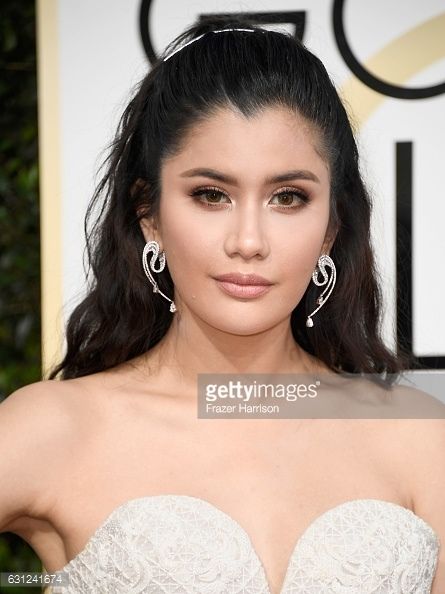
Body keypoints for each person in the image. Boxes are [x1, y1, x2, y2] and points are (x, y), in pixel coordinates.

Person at [1, 14, 444, 594]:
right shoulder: (57, 428)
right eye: (211, 195)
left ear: (331, 227)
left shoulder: (417, 438)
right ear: (149, 213)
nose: (249, 241)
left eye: (289, 197)